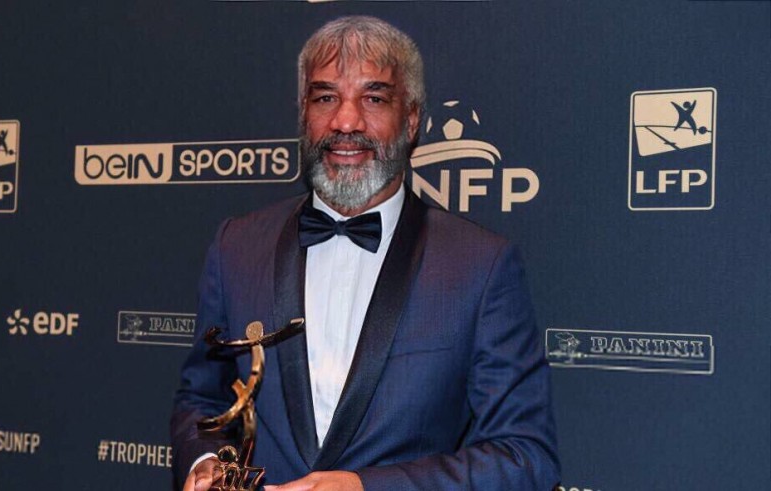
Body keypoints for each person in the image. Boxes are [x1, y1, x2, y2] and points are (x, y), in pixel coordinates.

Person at [171, 16, 559, 491]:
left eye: (373, 98)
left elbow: (523, 457)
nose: (346, 122)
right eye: (325, 97)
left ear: (412, 118)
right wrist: (203, 462)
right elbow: (202, 398)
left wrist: (365, 488)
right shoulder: (237, 246)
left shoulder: (481, 267)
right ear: (303, 112)